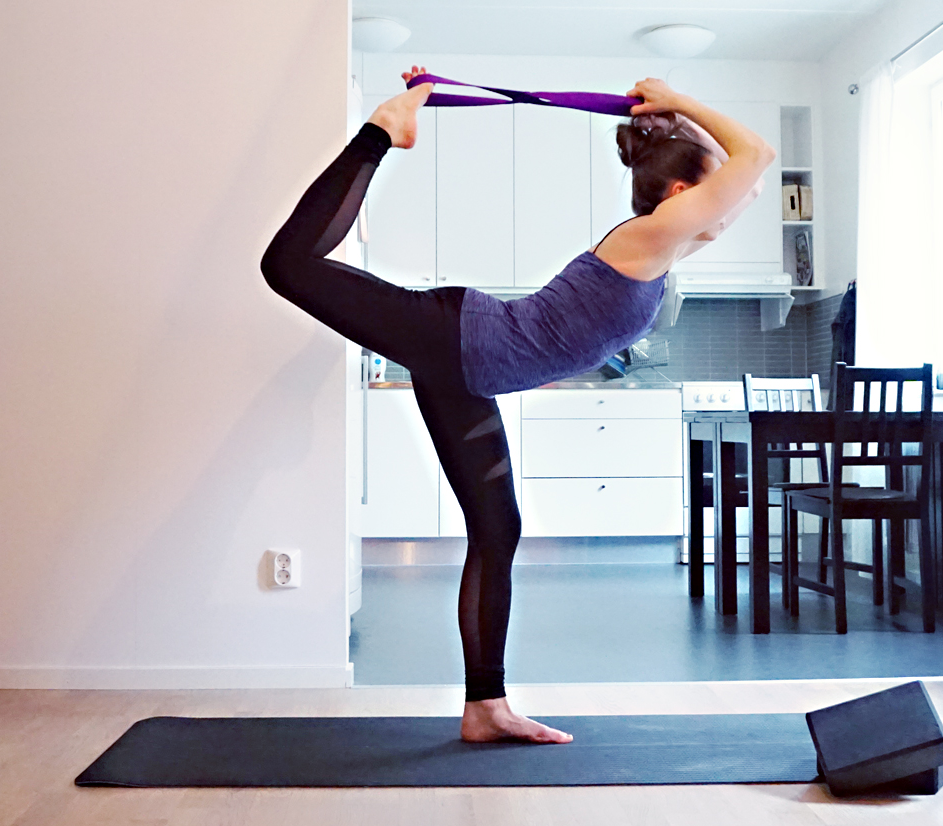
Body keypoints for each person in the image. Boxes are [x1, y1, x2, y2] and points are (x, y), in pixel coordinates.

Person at [260, 67, 775, 744]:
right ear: (683, 193)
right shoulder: (654, 238)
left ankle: (485, 708)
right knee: (288, 265)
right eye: (714, 187)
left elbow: (753, 175)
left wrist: (679, 122)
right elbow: (758, 156)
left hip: (470, 370)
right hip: (458, 336)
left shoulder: (672, 241)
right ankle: (382, 129)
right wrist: (678, 104)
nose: (730, 202)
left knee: (498, 531)